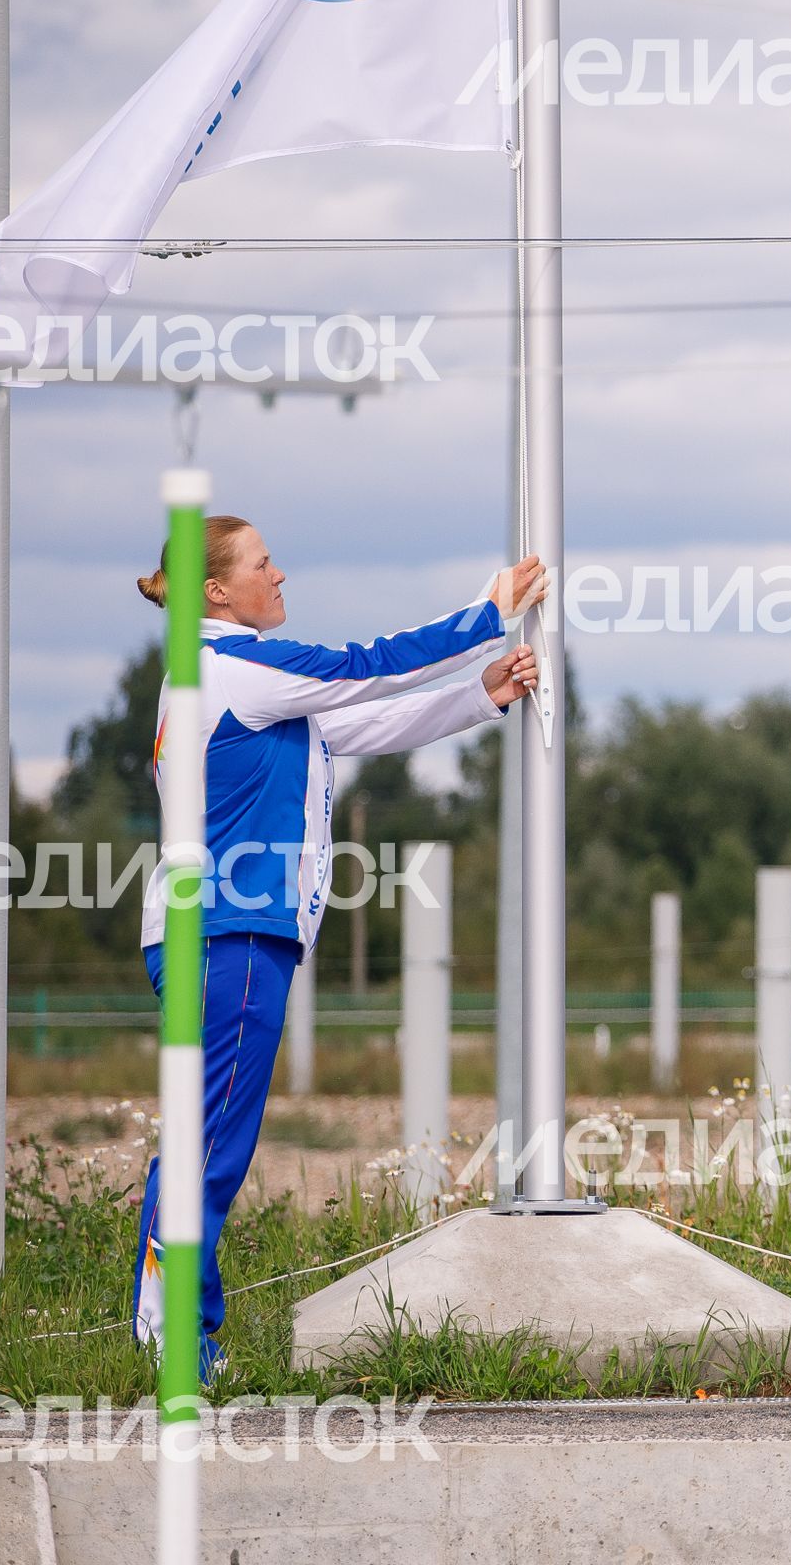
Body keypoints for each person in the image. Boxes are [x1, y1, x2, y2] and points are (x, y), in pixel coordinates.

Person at [132, 516, 544, 1380]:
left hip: (217, 933)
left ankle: (175, 1337)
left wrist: (484, 692)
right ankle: (173, 1344)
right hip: (230, 932)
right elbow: (368, 665)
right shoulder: (236, 664)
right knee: (211, 1146)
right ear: (216, 591)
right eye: (261, 563)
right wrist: (487, 611)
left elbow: (365, 722)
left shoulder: (224, 677)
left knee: (203, 1139)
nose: (279, 575)